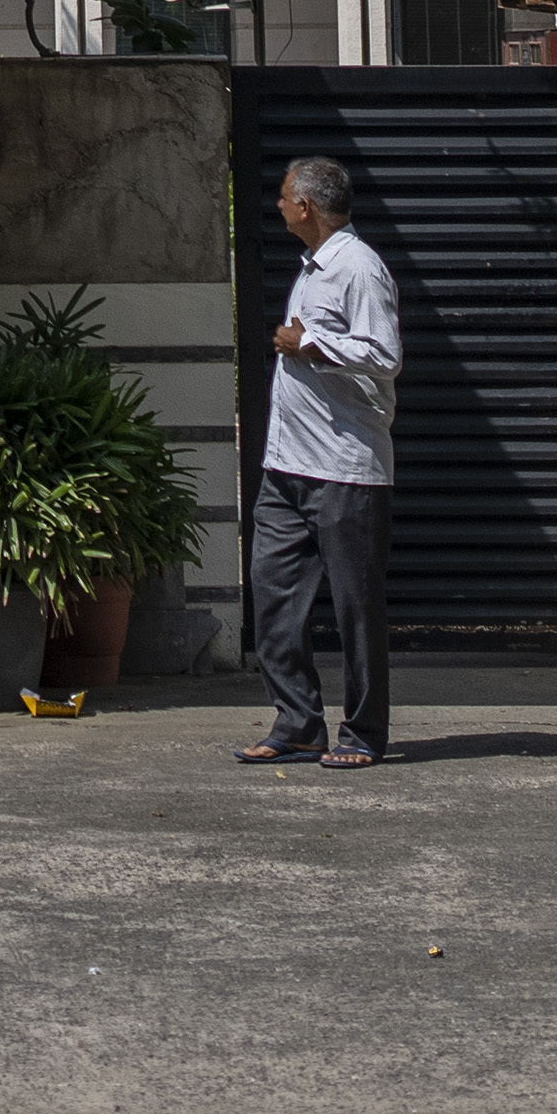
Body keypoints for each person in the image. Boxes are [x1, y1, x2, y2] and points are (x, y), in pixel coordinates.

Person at [243, 152, 401, 771]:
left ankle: (362, 733)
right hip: (287, 464)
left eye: (284, 197)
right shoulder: (312, 267)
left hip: (346, 467)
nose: (279, 206)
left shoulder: (358, 267)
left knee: (357, 605)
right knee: (274, 594)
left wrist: (309, 341)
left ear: (305, 205)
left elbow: (384, 354)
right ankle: (298, 723)